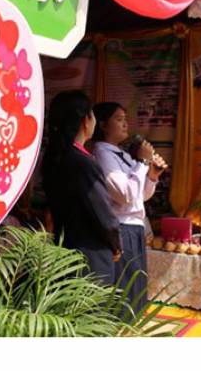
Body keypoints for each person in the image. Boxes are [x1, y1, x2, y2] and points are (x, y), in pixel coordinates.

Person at [91, 102, 167, 314]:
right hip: (121, 227)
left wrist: (152, 176)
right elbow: (125, 195)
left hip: (134, 228)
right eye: (119, 119)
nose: (125, 124)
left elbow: (140, 196)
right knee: (125, 289)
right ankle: (121, 327)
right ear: (103, 125)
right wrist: (141, 162)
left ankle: (131, 326)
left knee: (135, 288)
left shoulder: (122, 155)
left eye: (125, 119)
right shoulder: (103, 154)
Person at [41, 90, 122, 286]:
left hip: (63, 249)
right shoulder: (82, 162)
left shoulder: (53, 158)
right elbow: (102, 213)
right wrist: (115, 243)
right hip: (89, 256)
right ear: (86, 121)